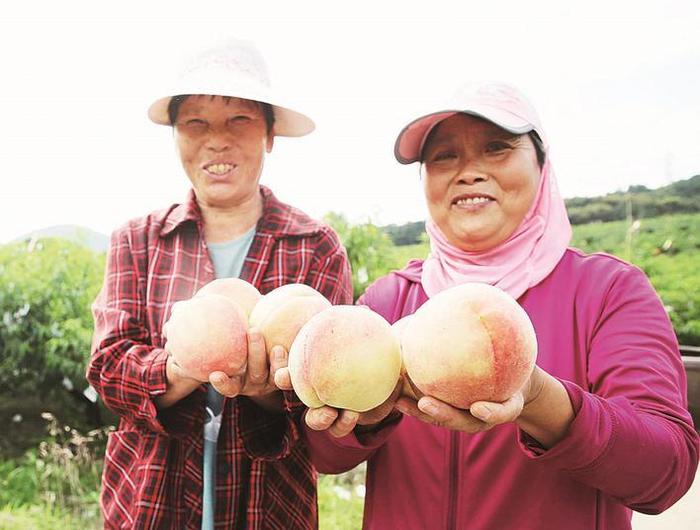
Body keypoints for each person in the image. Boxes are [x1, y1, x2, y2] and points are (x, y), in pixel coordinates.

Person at [275, 82, 700, 529]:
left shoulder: (607, 291)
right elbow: (323, 454)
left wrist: (540, 401)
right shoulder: (389, 301)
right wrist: (365, 417)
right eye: (443, 156)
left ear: (542, 165)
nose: (469, 171)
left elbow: (664, 474)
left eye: (497, 147)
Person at [86, 40, 352, 530]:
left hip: (268, 507)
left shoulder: (315, 246)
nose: (217, 140)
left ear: (270, 134)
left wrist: (269, 387)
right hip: (150, 503)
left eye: (240, 120)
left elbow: (330, 384)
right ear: (175, 136)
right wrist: (187, 364)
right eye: (196, 123)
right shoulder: (138, 240)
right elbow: (107, 368)